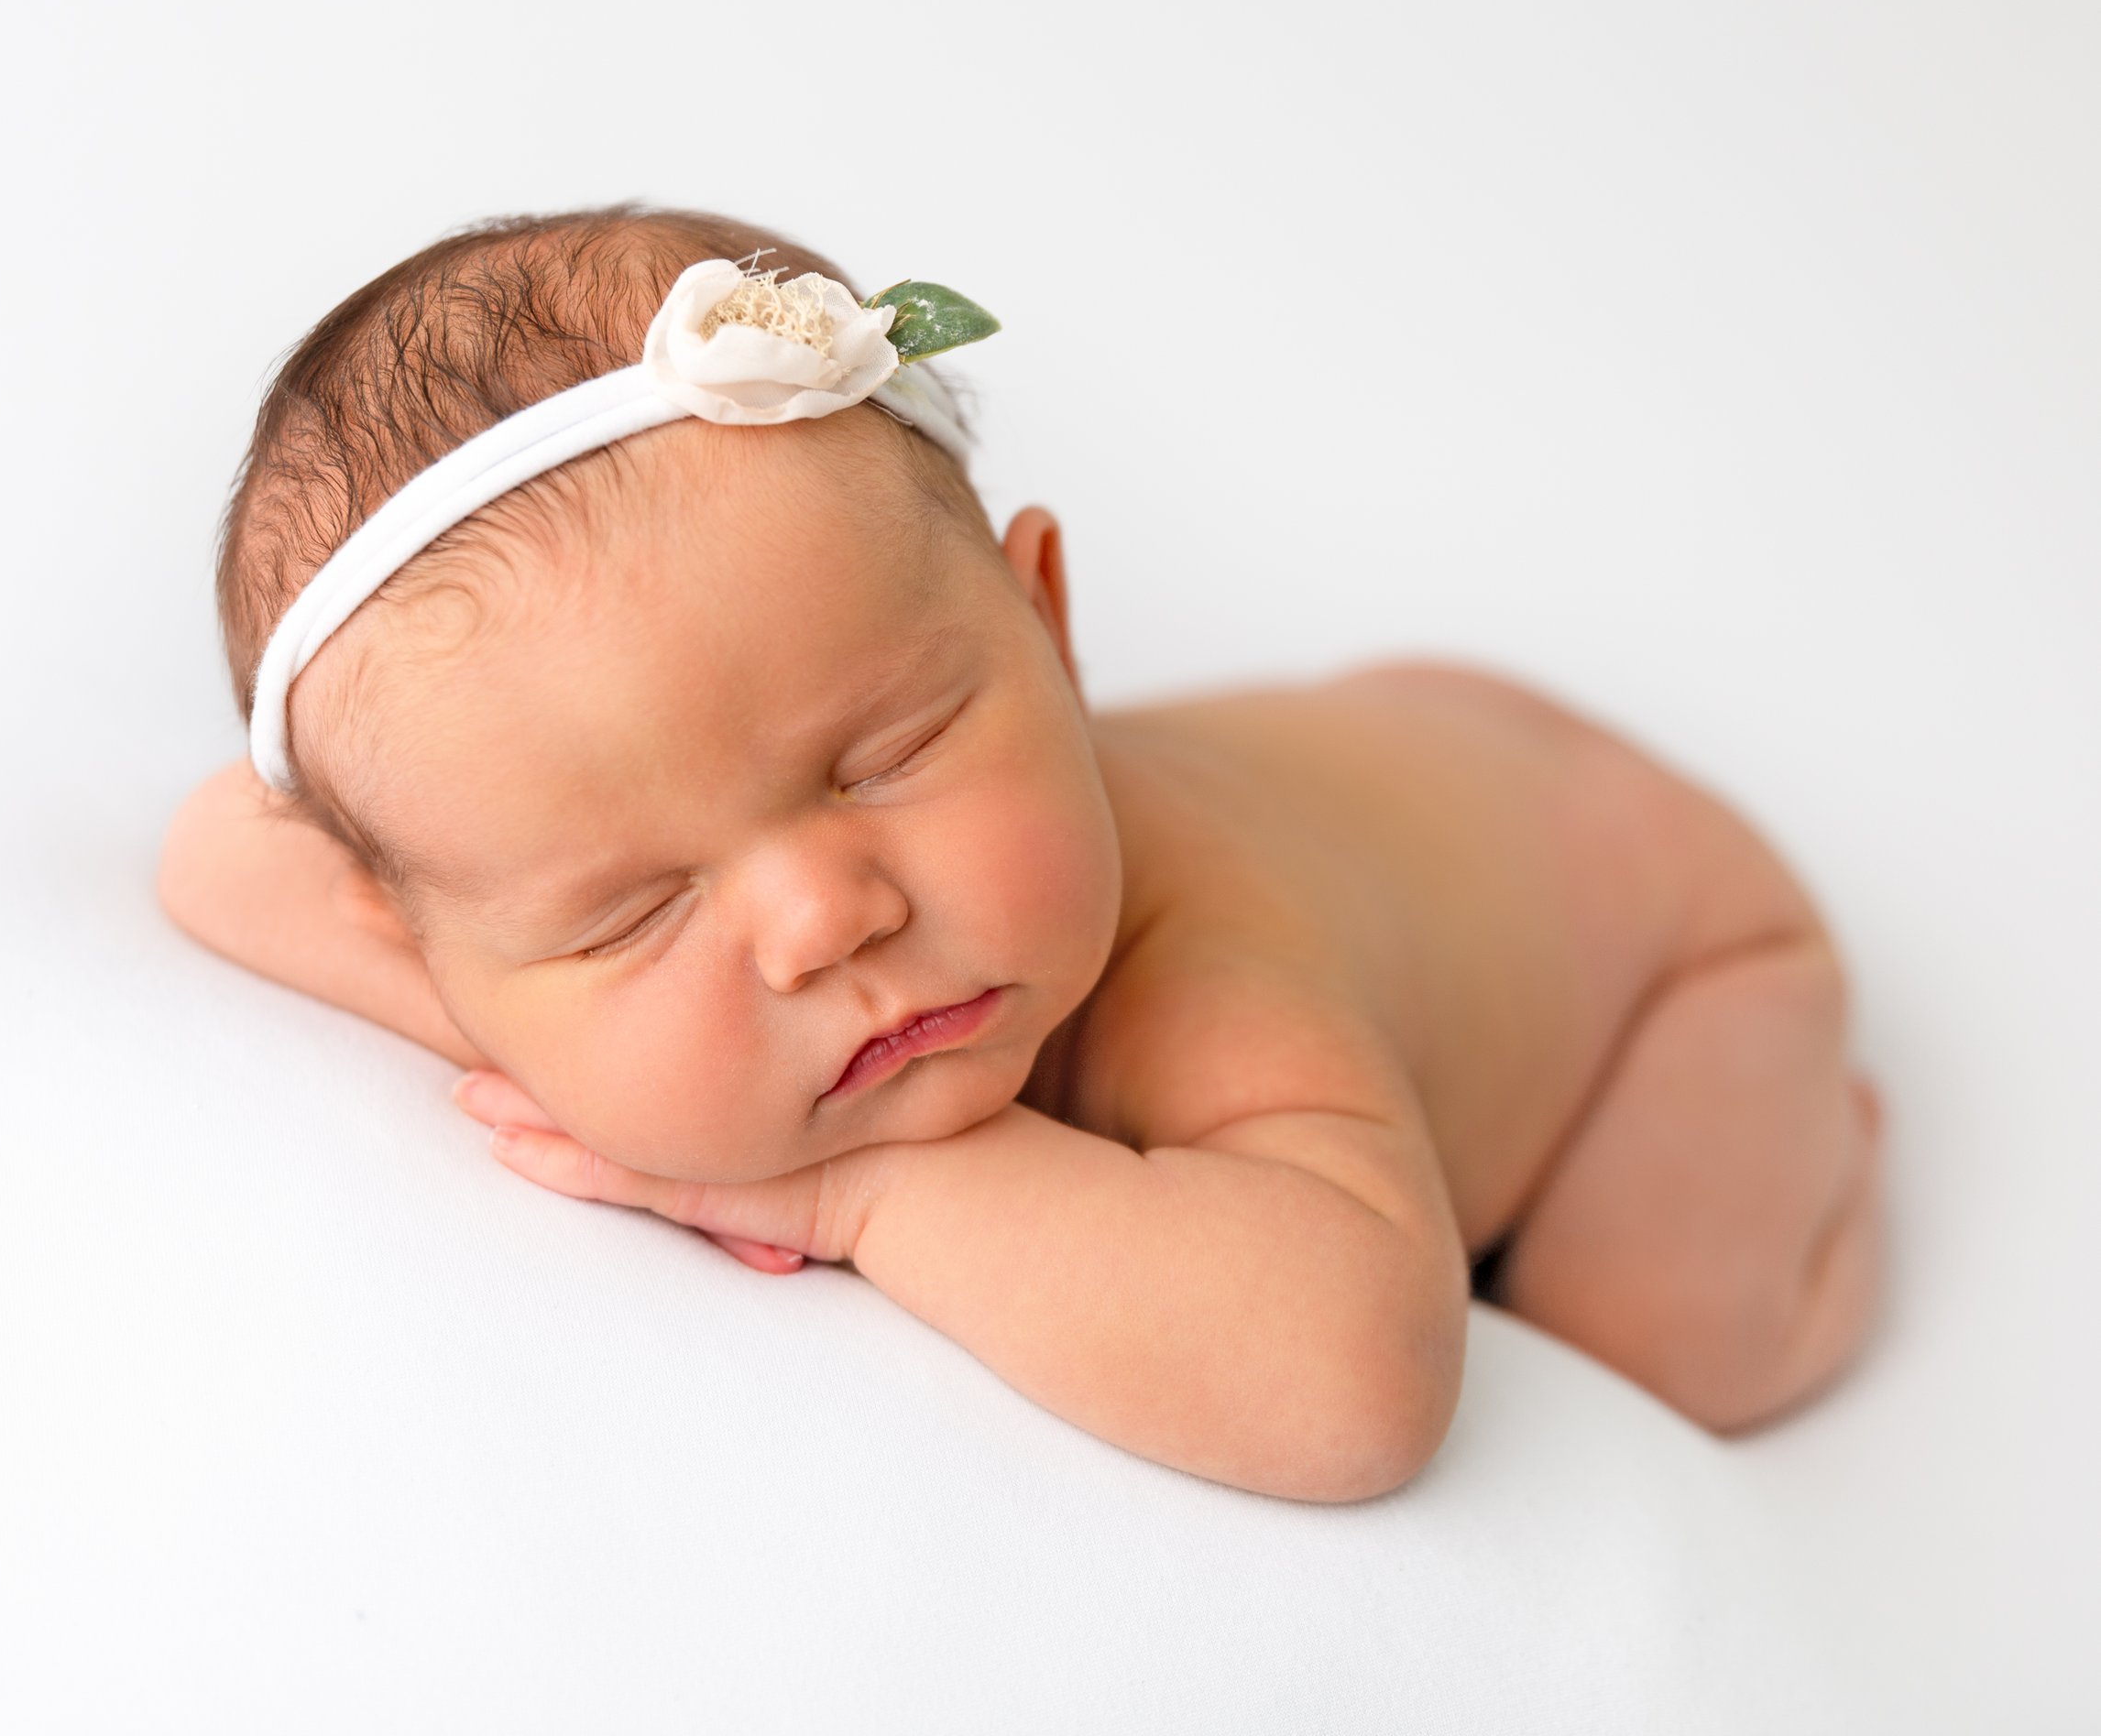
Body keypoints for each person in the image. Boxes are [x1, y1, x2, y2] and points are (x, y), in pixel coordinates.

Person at [156, 202, 1886, 1503]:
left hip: (1646, 920)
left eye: (886, 755)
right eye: (632, 910)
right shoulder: (466, 883)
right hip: (1402, 757)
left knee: (1662, 1344)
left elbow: (1355, 1382)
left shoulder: (1198, 952)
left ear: (1046, 622)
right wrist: (559, 1020)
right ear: (417, 925)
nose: (825, 918)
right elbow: (220, 857)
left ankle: (1832, 1133)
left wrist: (863, 1187)